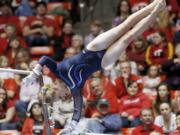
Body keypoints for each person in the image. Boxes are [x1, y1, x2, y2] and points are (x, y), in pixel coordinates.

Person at [23, 0, 166, 134]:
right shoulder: (76, 89)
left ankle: (152, 5)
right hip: (103, 61)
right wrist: (70, 128)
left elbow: (45, 59)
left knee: (123, 27)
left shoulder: (58, 71)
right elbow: (77, 112)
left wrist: (34, 74)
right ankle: (156, 12)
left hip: (92, 49)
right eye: (62, 96)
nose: (63, 95)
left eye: (59, 94)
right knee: (129, 36)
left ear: (55, 87)